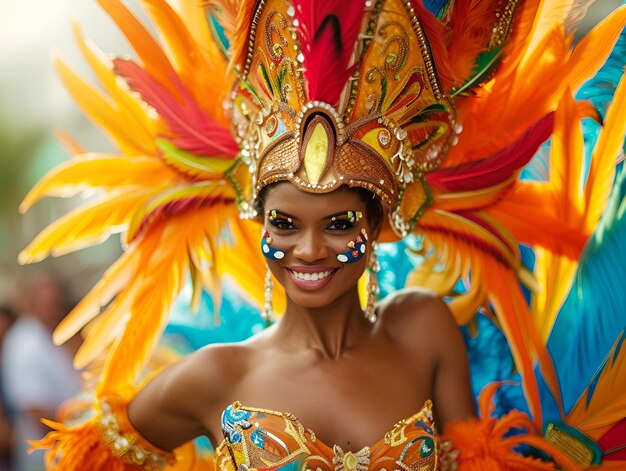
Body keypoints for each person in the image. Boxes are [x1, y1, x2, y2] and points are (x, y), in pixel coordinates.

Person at [22, 0, 626, 469]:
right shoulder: (214, 376)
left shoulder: (424, 329)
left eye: (338, 224)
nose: (310, 249)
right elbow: (92, 453)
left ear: (377, 226)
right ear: (260, 225)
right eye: (286, 223)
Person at [2, 273, 81, 471]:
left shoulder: (57, 334)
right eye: (45, 302)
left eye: (55, 301)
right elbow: (35, 410)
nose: (52, 307)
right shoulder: (24, 342)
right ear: (31, 303)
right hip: (45, 453)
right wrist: (79, 440)